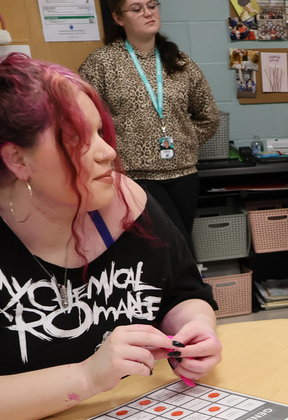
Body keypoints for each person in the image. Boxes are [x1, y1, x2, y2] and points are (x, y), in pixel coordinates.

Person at [0, 46, 222, 420]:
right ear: (18, 161)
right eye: (77, 140)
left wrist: (197, 328)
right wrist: (87, 377)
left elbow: (183, 294)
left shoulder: (126, 203)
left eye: (100, 133)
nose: (108, 152)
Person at [80, 0, 220, 251]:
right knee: (169, 247)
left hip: (183, 174)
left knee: (180, 245)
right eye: (136, 8)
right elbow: (82, 119)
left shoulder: (179, 62)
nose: (147, 13)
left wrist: (185, 139)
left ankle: (183, 290)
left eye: (152, 5)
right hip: (134, 175)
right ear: (119, 18)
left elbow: (208, 115)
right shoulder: (101, 63)